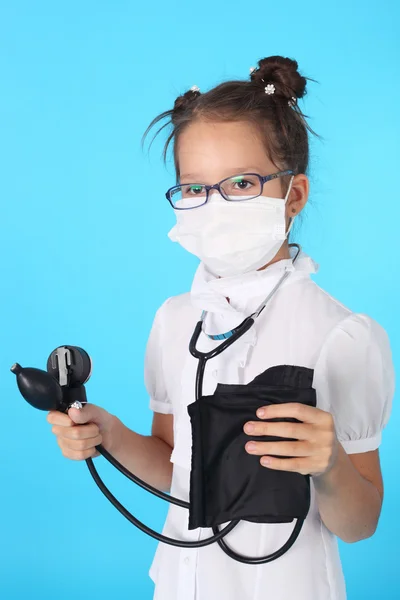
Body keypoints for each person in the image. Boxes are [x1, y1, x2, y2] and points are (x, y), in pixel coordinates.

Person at [46, 56, 395, 600]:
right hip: (186, 584)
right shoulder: (175, 320)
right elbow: (175, 469)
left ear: (293, 195)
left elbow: (360, 523)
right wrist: (109, 435)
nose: (213, 206)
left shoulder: (343, 336)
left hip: (288, 584)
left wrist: (328, 465)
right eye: (193, 189)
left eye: (240, 183)